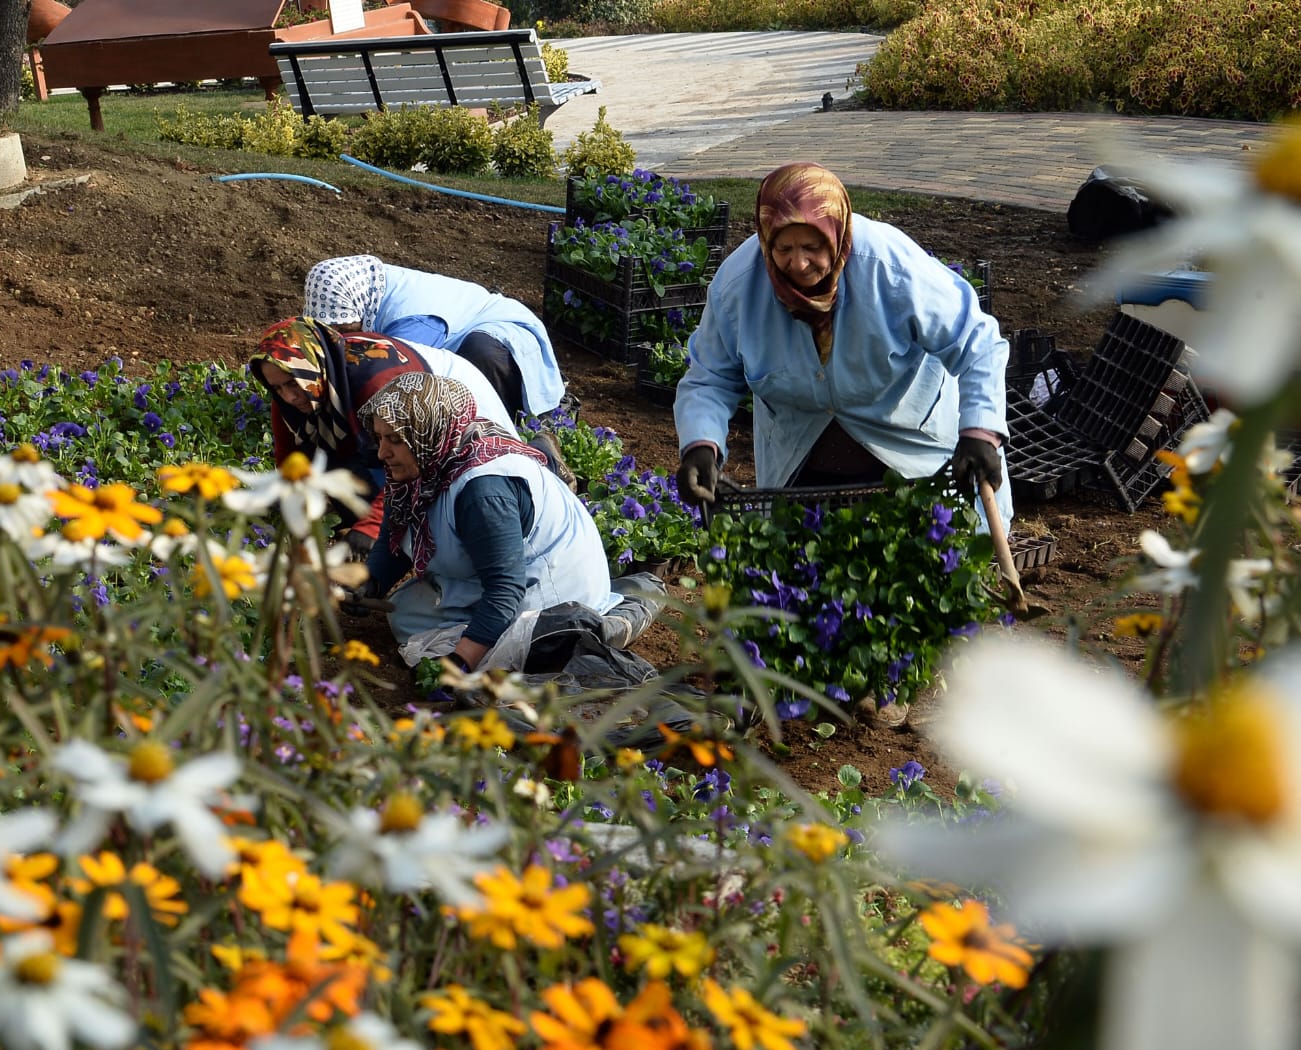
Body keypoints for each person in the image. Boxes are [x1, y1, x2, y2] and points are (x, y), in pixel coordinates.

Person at [671, 162, 1013, 536]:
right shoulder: (738, 286)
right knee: (806, 578)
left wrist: (980, 433)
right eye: (783, 247)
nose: (798, 263)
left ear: (835, 233)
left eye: (813, 247)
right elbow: (709, 379)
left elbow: (977, 342)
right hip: (802, 466)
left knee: (934, 569)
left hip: (913, 461)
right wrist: (700, 444)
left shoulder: (888, 267)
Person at [361, 374, 657, 676]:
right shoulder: (424, 464)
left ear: (428, 433)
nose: (383, 452)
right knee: (404, 613)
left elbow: (505, 588)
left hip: (548, 590)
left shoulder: (483, 492)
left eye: (396, 440)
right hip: (493, 571)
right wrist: (370, 583)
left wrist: (460, 663)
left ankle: (586, 628)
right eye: (380, 437)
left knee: (504, 659)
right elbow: (396, 535)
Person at [248, 316, 517, 549]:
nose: (289, 396)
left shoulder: (377, 384)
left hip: (449, 400)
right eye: (278, 388)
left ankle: (541, 453)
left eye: (292, 384)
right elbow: (290, 459)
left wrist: (372, 526)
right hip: (382, 418)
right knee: (341, 466)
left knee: (436, 500)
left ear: (311, 368)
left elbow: (415, 463)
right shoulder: (298, 387)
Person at [303, 256, 569, 421]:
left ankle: (504, 425)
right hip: (457, 344)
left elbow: (396, 379)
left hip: (509, 336)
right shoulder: (362, 291)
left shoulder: (411, 318)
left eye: (347, 329)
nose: (343, 338)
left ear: (358, 304)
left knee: (482, 353)